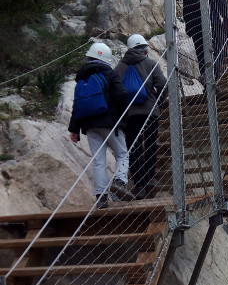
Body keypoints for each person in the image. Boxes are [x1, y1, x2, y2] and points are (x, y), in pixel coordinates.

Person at [68, 42, 134, 210]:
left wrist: (74, 129)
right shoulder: (109, 74)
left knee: (98, 161)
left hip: (89, 126)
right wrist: (123, 118)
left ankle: (101, 197)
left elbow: (77, 105)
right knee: (122, 153)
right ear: (106, 59)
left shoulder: (82, 78)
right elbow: (121, 94)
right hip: (110, 123)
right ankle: (120, 181)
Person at [115, 34, 167, 200]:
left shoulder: (119, 68)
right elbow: (162, 85)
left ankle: (139, 185)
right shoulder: (151, 64)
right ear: (144, 49)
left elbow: (113, 92)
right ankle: (150, 177)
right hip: (150, 111)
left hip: (129, 114)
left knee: (134, 147)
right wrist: (159, 102)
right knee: (150, 143)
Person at [182, 0, 228, 83]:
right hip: (211, 23)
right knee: (217, 49)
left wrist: (189, 29)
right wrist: (227, 17)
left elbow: (186, 11)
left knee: (201, 53)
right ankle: (212, 77)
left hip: (195, 27)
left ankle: (206, 79)